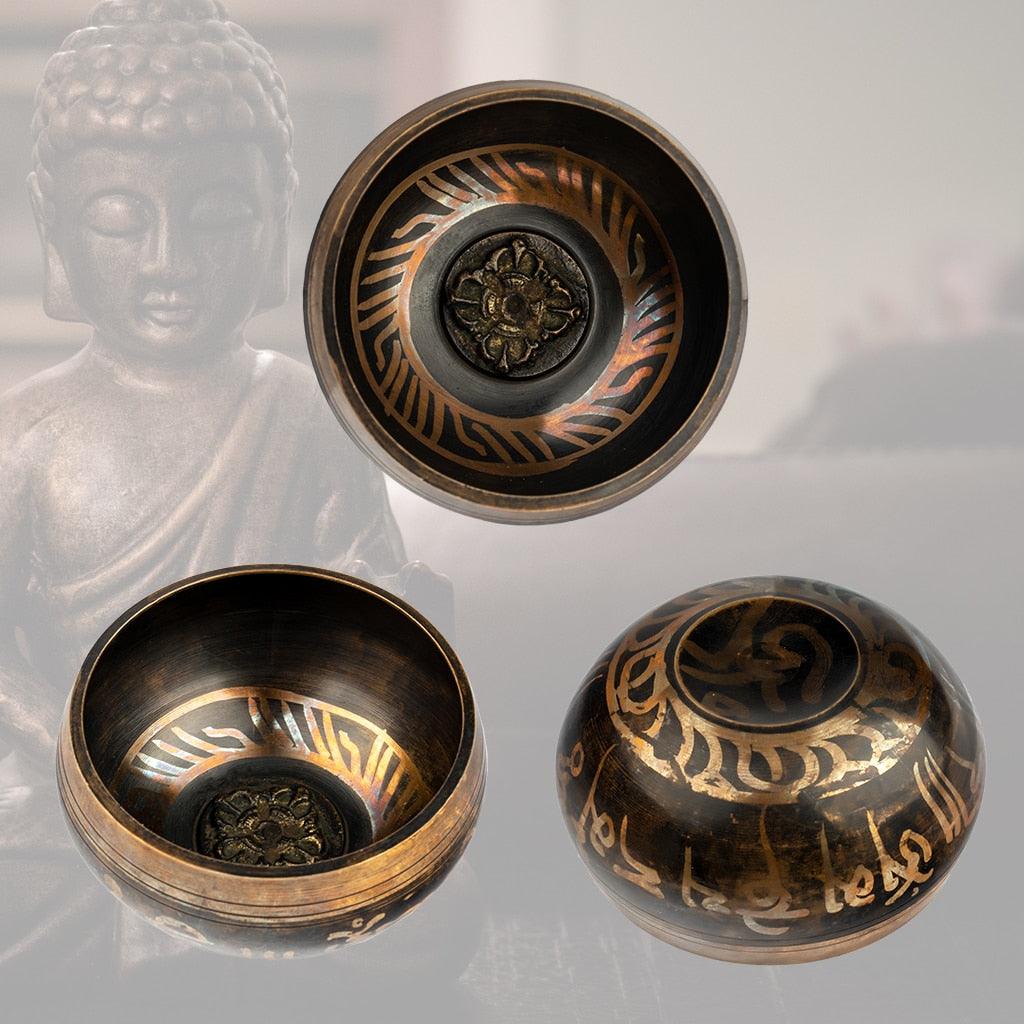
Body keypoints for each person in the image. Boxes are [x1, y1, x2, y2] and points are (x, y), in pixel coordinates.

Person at [0, 0, 444, 986]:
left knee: (411, 880)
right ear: (53, 221)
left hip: (269, 761)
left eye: (214, 217)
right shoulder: (24, 432)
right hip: (72, 774)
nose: (170, 261)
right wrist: (91, 765)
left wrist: (384, 635)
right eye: (120, 220)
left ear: (277, 211)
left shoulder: (305, 414)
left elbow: (364, 617)